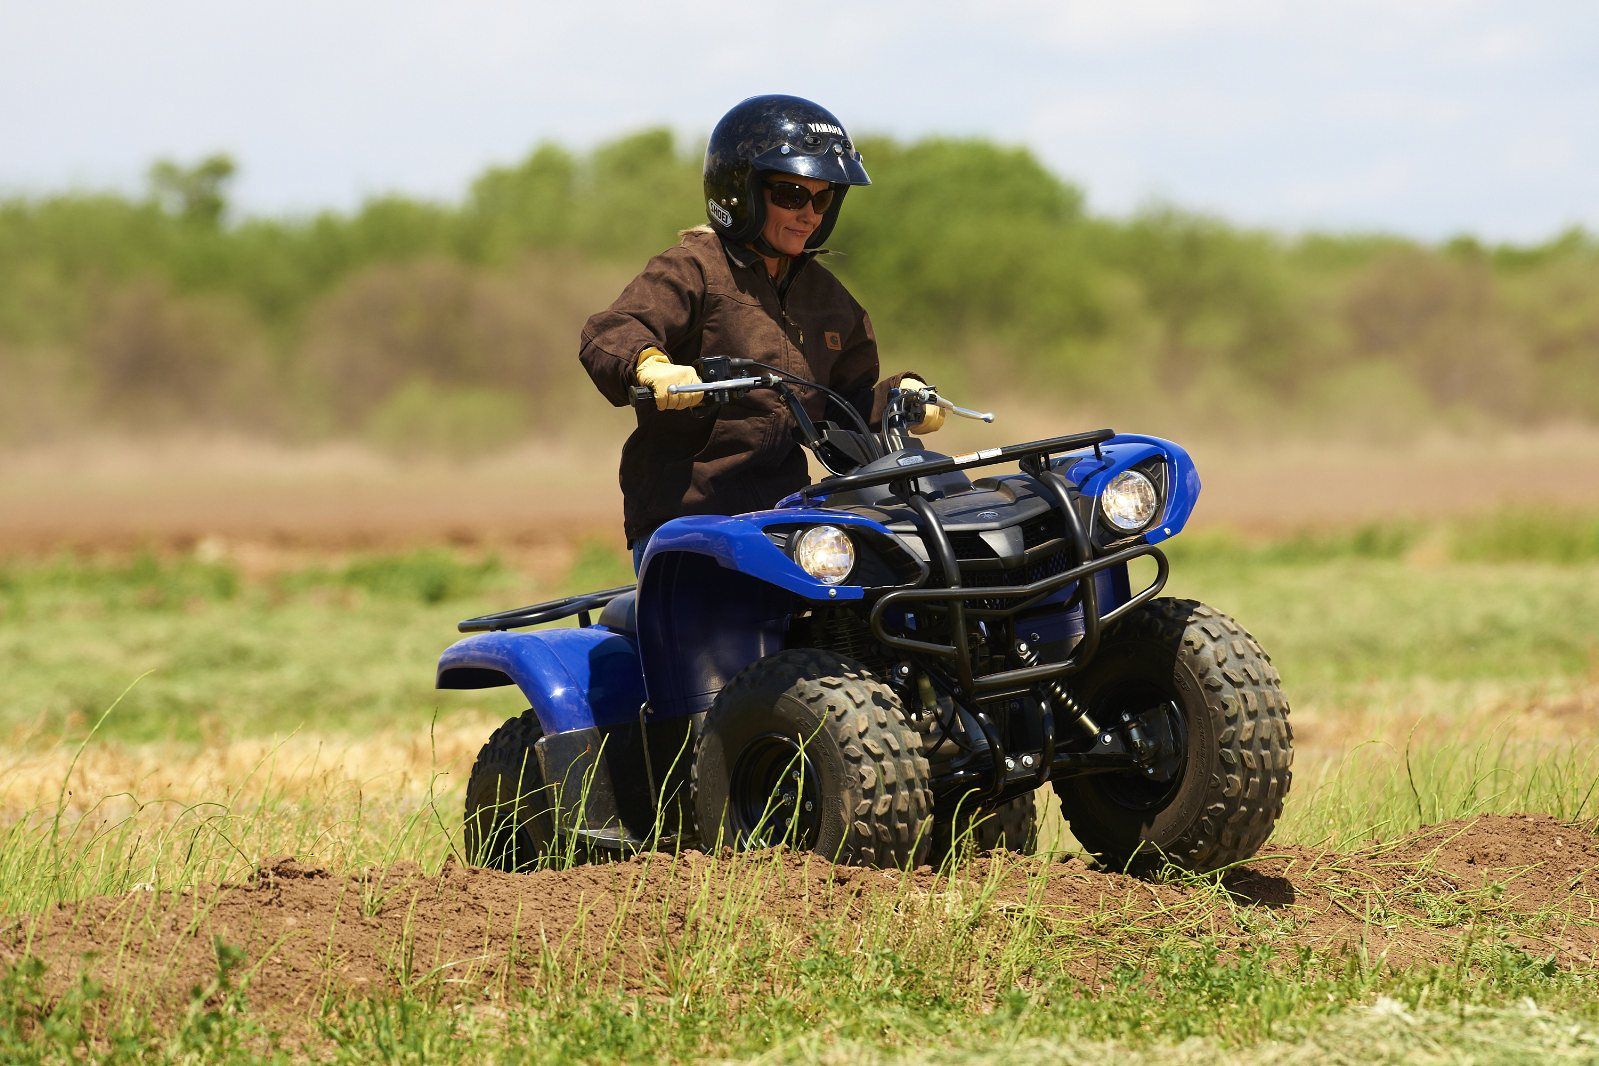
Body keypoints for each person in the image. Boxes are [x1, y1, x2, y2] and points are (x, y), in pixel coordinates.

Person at [579, 94, 944, 573]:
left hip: (786, 516)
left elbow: (845, 407)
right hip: (687, 516)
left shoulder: (827, 298)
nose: (809, 214)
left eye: (822, 198)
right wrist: (650, 365)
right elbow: (612, 330)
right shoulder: (694, 268)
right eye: (791, 196)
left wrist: (902, 396)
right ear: (740, 192)